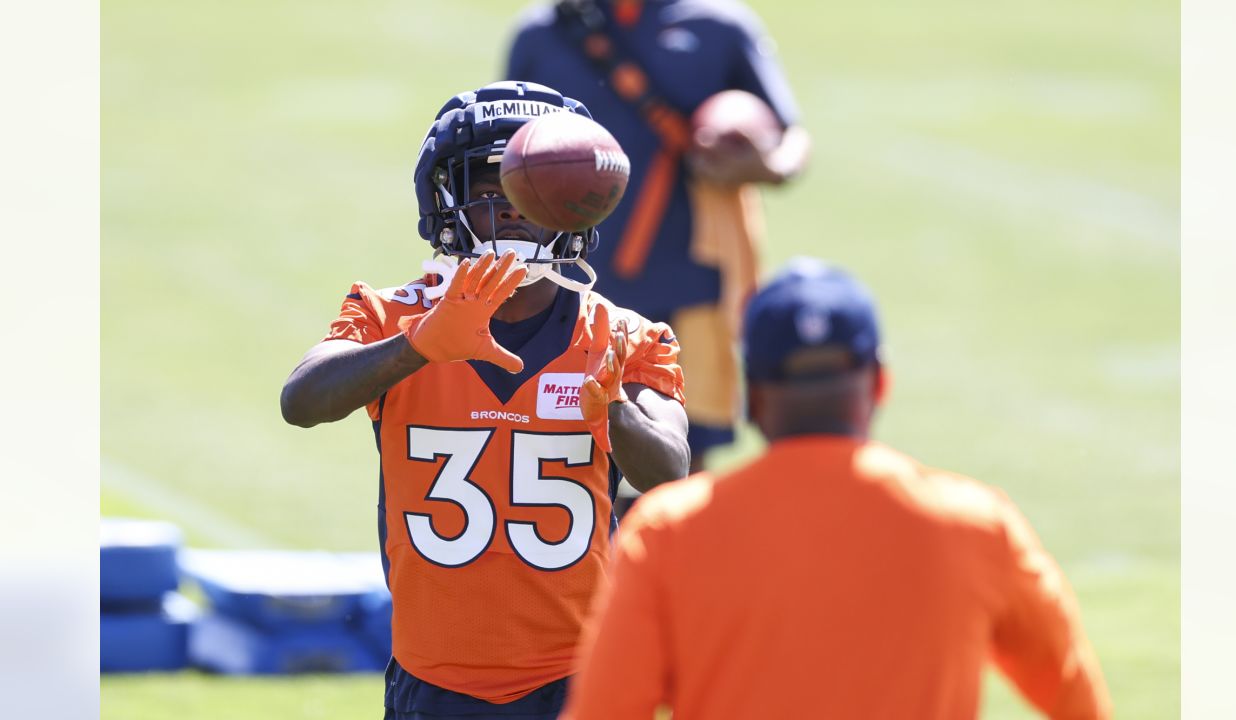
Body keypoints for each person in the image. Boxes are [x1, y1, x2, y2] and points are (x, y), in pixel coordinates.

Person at [280, 81, 691, 720]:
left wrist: (612, 410)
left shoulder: (623, 335)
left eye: (530, 191)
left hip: (580, 679)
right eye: (491, 192)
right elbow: (302, 400)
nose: (514, 210)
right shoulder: (395, 315)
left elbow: (670, 472)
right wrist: (418, 346)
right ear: (447, 202)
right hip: (435, 680)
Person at [561, 258, 1114, 719]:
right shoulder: (976, 525)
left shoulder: (668, 535)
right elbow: (1076, 698)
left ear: (753, 399)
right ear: (880, 383)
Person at [505, 0, 812, 479]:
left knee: (681, 459)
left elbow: (791, 136)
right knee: (556, 456)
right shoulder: (544, 29)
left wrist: (764, 165)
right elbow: (507, 149)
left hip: (691, 277)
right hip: (564, 282)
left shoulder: (720, 25)